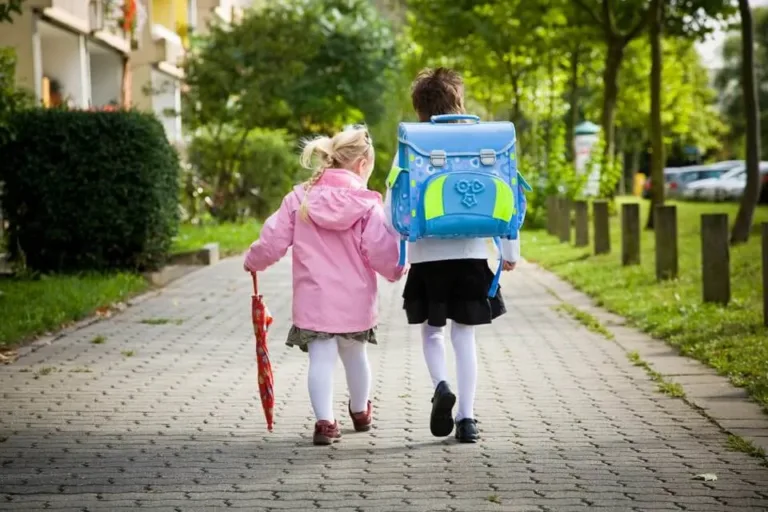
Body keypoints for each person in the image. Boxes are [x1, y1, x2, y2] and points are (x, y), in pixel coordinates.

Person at [244, 127, 405, 446]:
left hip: (313, 300)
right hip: (355, 301)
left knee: (321, 360)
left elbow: (273, 239)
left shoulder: (299, 198)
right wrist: (397, 268)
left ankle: (325, 422)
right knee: (356, 356)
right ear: (362, 165)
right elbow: (379, 248)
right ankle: (360, 411)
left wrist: (254, 260)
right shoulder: (366, 204)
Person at [385, 68, 519, 443]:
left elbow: (391, 210)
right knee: (465, 338)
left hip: (427, 257)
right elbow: (509, 199)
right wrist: (509, 251)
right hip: (473, 255)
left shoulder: (412, 144)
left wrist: (396, 250)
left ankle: (441, 385)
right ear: (458, 101)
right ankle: (468, 419)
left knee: (432, 334)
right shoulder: (485, 142)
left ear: (419, 109)